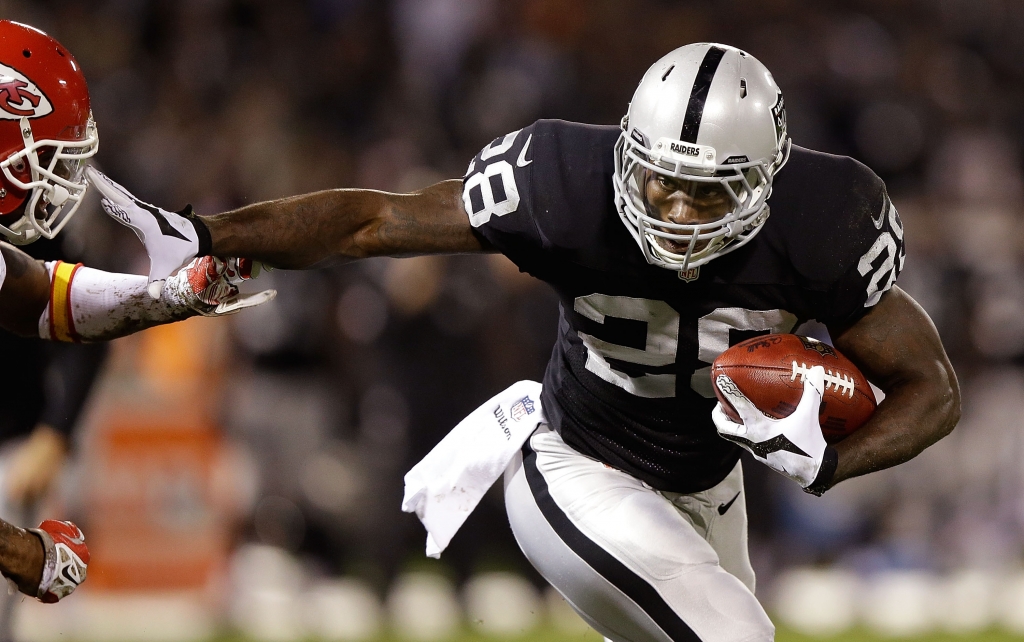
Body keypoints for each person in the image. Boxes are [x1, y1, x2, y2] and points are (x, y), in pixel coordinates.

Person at [99, 43, 959, 642]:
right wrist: (209, 232)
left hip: (710, 482)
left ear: (766, 181)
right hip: (581, 464)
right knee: (733, 637)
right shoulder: (562, 183)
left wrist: (829, 464)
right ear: (629, 153)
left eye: (708, 192)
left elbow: (933, 389)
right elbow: (372, 220)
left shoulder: (826, 220)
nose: (673, 209)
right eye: (660, 179)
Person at [0, 20, 274, 606]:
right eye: (44, 155)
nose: (56, 179)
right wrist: (19, 552)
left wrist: (173, 296)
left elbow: (45, 296)